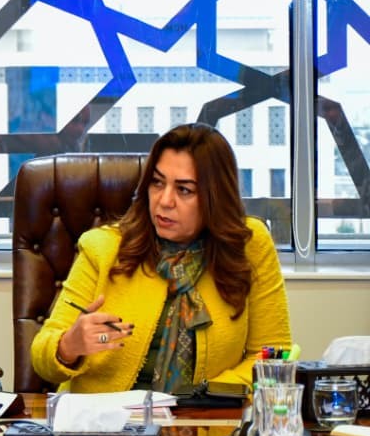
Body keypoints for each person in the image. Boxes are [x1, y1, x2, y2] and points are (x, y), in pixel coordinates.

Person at [30, 122, 291, 393]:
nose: (164, 201)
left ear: (216, 197)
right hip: (105, 414)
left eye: (184, 190)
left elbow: (274, 358)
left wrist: (207, 397)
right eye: (157, 183)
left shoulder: (248, 246)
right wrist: (69, 346)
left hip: (207, 414)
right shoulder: (104, 248)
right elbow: (41, 357)